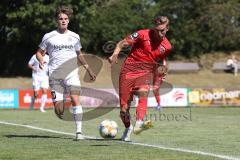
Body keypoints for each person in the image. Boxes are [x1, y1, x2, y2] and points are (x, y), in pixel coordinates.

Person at [35, 5, 96, 140]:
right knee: (60, 110)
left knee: (75, 99)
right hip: (55, 75)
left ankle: (79, 132)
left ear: (69, 20)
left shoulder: (75, 36)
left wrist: (89, 70)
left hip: (72, 73)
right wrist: (40, 60)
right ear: (57, 20)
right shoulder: (48, 36)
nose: (63, 20)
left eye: (65, 18)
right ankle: (59, 101)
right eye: (60, 18)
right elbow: (39, 53)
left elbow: (79, 55)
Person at [109, 16, 172, 141]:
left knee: (143, 93)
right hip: (128, 71)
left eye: (162, 30)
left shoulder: (167, 46)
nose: (160, 33)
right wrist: (115, 54)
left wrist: (162, 71)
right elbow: (122, 43)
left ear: (167, 29)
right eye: (157, 30)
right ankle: (128, 128)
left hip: (145, 72)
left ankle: (139, 123)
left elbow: (161, 61)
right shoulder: (142, 34)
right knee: (123, 109)